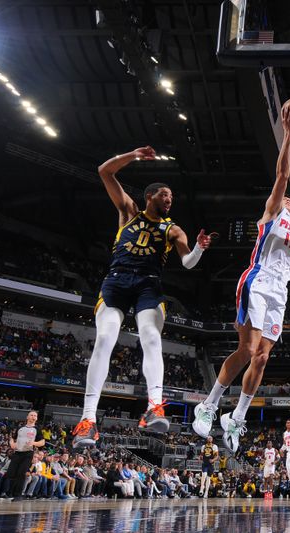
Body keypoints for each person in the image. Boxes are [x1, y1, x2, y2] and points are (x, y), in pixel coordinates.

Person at [193, 103, 290, 449]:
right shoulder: (271, 215)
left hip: (279, 293)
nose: (287, 200)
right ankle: (209, 405)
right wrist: (288, 135)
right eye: (284, 199)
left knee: (262, 356)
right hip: (257, 282)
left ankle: (236, 418)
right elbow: (283, 177)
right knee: (247, 349)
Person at [72, 146, 212, 447]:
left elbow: (187, 263)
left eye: (171, 196)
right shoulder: (128, 211)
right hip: (116, 281)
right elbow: (104, 170)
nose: (170, 199)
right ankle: (88, 420)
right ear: (150, 196)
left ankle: (154, 406)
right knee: (106, 337)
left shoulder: (172, 229)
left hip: (148, 285)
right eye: (165, 194)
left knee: (150, 335)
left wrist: (199, 248)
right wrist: (133, 156)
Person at [5, 410, 45, 501]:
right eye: (31, 415)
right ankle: (8, 492)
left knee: (21, 473)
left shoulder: (37, 429)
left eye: (35, 415)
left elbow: (42, 442)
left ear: (37, 418)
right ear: (27, 417)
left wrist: (34, 442)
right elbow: (12, 438)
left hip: (28, 453)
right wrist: (12, 444)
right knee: (11, 473)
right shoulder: (20, 428)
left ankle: (18, 495)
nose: (33, 417)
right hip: (18, 452)